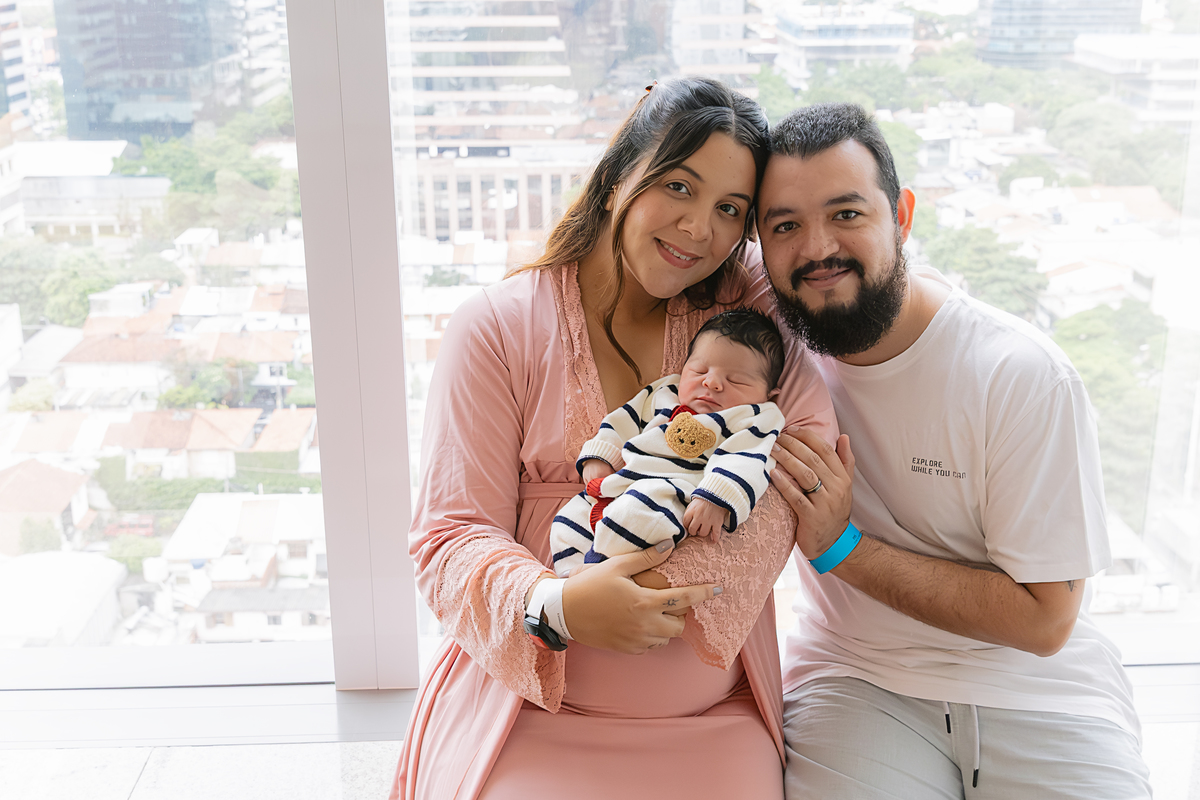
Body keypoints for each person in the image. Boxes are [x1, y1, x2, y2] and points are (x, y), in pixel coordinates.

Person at [389, 78, 837, 800]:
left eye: (730, 209)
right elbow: (449, 535)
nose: (700, 229)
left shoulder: (741, 314)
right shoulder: (496, 327)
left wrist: (663, 584)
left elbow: (803, 454)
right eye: (679, 186)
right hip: (528, 711)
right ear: (617, 178)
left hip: (713, 720)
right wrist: (560, 604)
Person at [758, 102, 1152, 798]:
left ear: (902, 215)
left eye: (847, 214)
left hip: (1038, 688)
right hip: (856, 677)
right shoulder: (764, 354)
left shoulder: (1018, 373)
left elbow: (1045, 619)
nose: (817, 248)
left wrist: (839, 547)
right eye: (785, 226)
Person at [551, 308, 787, 577]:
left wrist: (716, 498)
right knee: (567, 521)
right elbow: (623, 421)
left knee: (639, 515)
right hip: (620, 485)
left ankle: (596, 576)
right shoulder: (665, 392)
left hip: (673, 494)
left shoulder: (756, 416)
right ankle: (569, 584)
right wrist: (601, 455)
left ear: (770, 393)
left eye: (737, 380)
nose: (711, 382)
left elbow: (748, 459)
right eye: (699, 370)